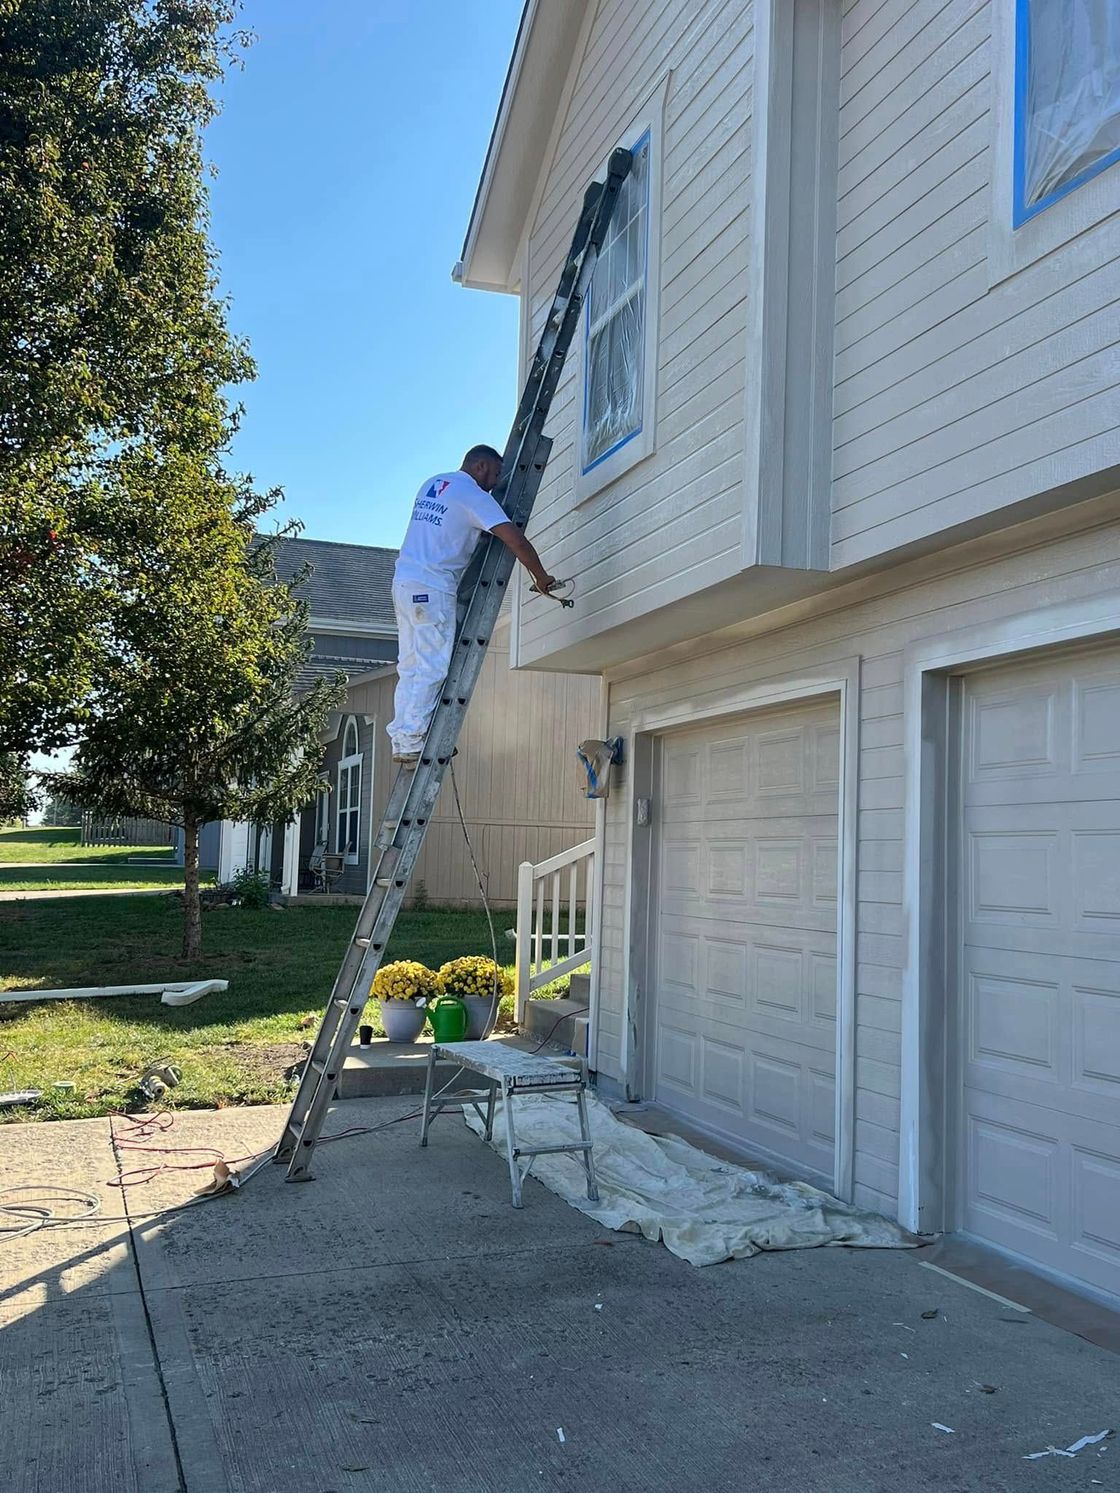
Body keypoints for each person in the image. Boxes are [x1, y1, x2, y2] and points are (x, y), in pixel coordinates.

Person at [387, 445, 557, 766]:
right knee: (431, 666)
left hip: (404, 583)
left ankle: (404, 736)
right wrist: (541, 577)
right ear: (480, 466)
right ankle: (413, 738)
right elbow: (514, 540)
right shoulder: (472, 495)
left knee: (411, 664)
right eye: (493, 474)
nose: (494, 483)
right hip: (432, 587)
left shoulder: (434, 483)